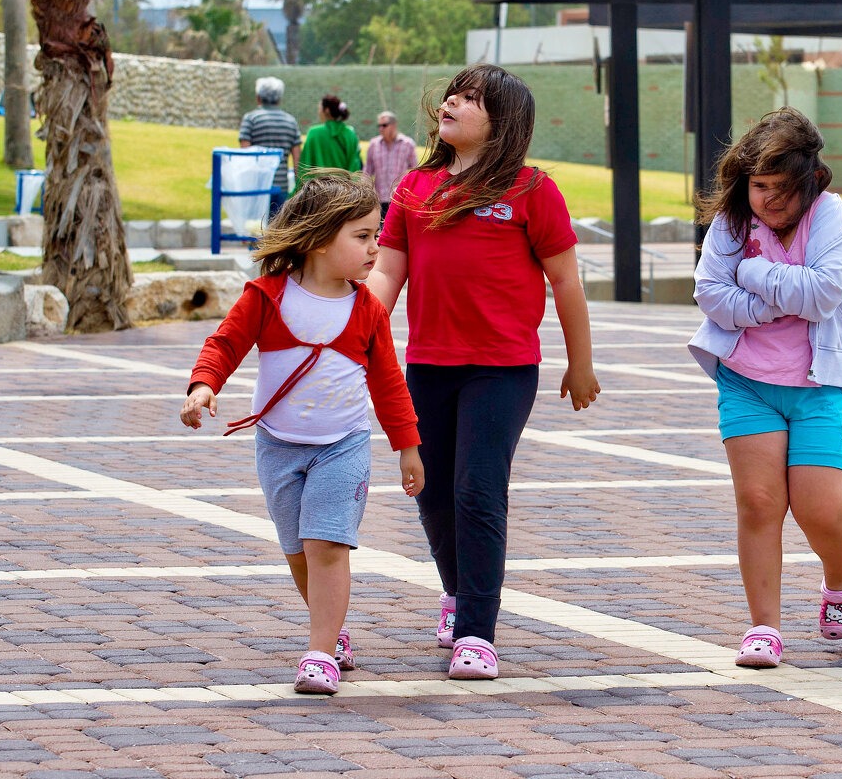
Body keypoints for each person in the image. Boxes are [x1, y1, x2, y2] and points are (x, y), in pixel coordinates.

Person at [366, 64, 600, 681]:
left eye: (473, 99)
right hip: (428, 367)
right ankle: (459, 591)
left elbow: (567, 282)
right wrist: (357, 330)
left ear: (503, 124)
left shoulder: (531, 190)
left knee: (477, 491)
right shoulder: (415, 188)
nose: (453, 103)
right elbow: (387, 272)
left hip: (503, 370)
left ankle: (477, 632)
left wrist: (581, 364)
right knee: (433, 491)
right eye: (454, 93)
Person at [180, 169, 425, 695]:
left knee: (327, 545)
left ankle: (319, 652)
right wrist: (203, 385)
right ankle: (332, 631)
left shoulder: (367, 310)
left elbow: (389, 386)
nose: (375, 247)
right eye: (362, 236)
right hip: (277, 446)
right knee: (298, 550)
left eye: (376, 235)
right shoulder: (267, 296)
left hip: (344, 446)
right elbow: (224, 344)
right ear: (316, 238)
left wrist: (408, 448)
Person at [688, 107, 842, 669]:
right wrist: (768, 307)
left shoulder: (830, 215)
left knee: (819, 509)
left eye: (784, 189)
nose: (770, 201)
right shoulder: (733, 223)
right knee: (759, 503)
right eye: (760, 186)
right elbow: (709, 292)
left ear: (810, 182)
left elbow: (823, 294)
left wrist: (752, 274)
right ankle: (763, 627)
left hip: (817, 385)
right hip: (747, 380)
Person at [239, 76, 302, 216]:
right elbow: (297, 158)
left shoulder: (251, 119)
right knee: (276, 231)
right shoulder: (290, 121)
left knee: (255, 229)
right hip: (281, 186)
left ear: (258, 98)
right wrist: (298, 187)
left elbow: (245, 155)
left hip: (257, 186)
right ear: (279, 99)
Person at [296, 95, 362, 187]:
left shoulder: (314, 133)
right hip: (344, 191)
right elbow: (355, 165)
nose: (318, 112)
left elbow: (305, 165)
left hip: (319, 191)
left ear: (326, 110)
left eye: (319, 109)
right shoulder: (350, 133)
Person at [364, 111, 419, 218]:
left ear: (394, 125)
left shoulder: (407, 144)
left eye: (384, 125)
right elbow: (367, 172)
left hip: (400, 199)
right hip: (379, 200)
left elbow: (415, 172)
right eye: (379, 125)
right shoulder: (374, 144)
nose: (381, 128)